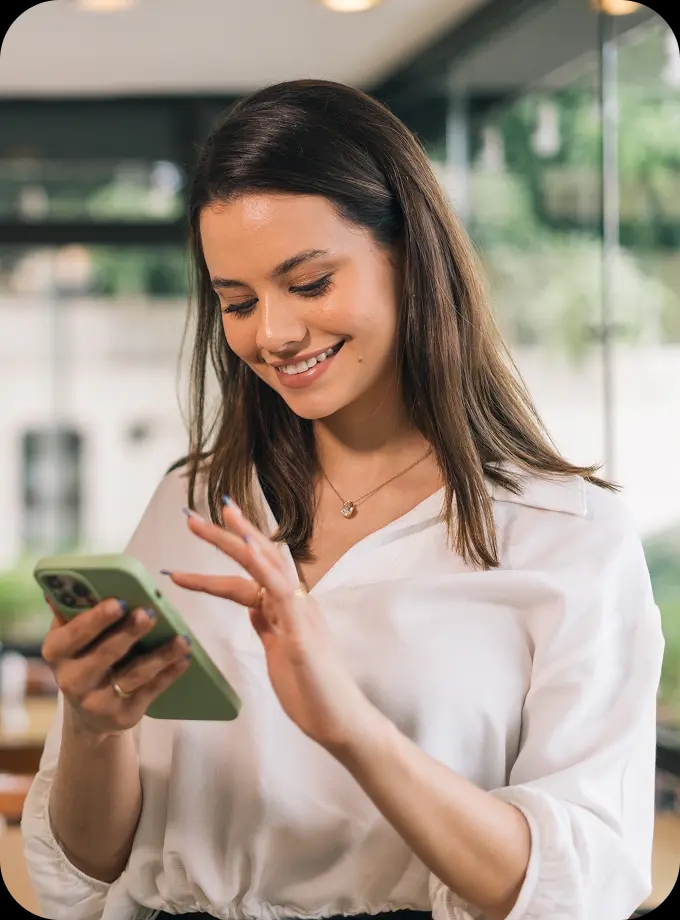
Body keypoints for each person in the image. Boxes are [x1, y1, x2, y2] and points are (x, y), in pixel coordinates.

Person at [22, 79, 663, 920]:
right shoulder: (193, 502)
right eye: (238, 303)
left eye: (311, 283)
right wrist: (96, 727)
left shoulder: (566, 535)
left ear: (410, 254)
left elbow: (580, 889)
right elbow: (85, 873)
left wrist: (350, 727)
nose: (273, 335)